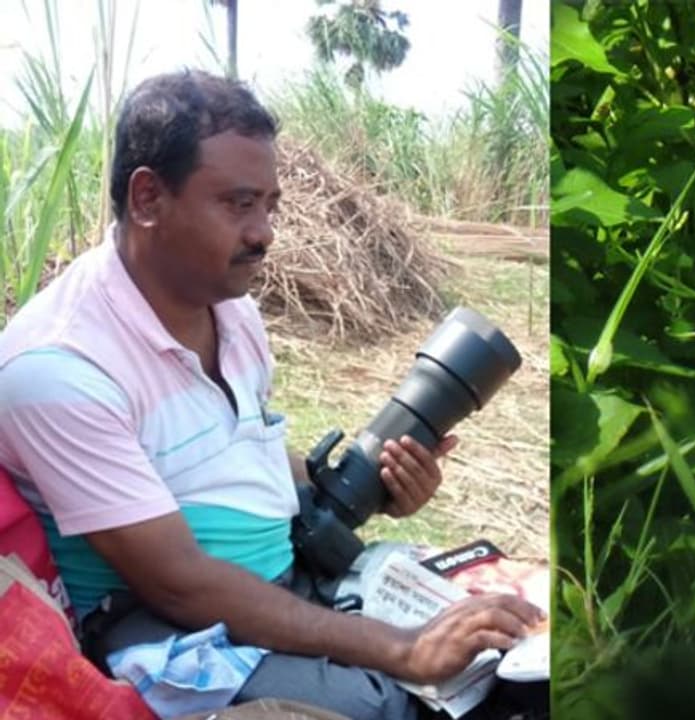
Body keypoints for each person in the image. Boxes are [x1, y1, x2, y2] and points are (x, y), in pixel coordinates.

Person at [0, 69, 545, 720]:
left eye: (271, 204)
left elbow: (238, 456)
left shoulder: (231, 311)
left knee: (517, 645)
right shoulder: (59, 369)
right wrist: (400, 648)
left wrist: (366, 484)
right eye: (238, 204)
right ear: (147, 197)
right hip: (163, 634)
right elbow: (177, 584)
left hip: (280, 584)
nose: (265, 232)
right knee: (395, 707)